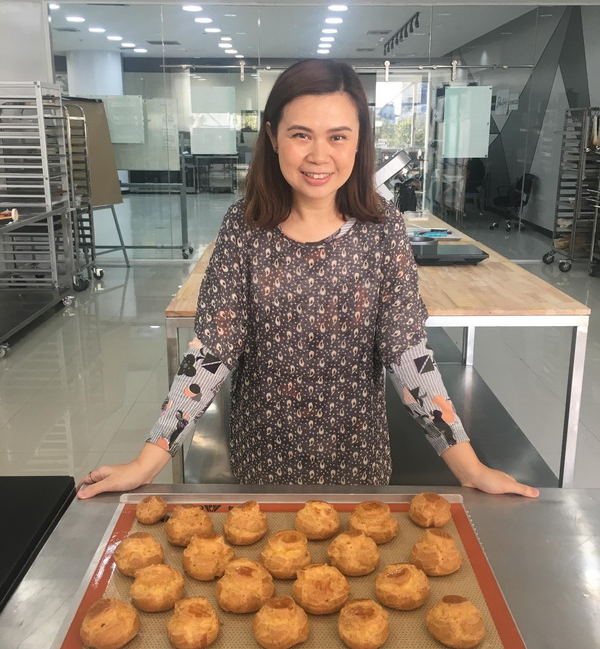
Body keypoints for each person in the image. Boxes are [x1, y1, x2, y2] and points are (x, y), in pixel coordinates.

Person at [78, 59, 538, 500]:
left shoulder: (383, 229)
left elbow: (405, 350)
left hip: (359, 462)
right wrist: (148, 459)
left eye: (338, 136)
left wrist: (469, 467)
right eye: (301, 134)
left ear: (359, 142)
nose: (319, 155)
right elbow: (213, 348)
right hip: (262, 463)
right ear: (273, 137)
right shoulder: (244, 226)